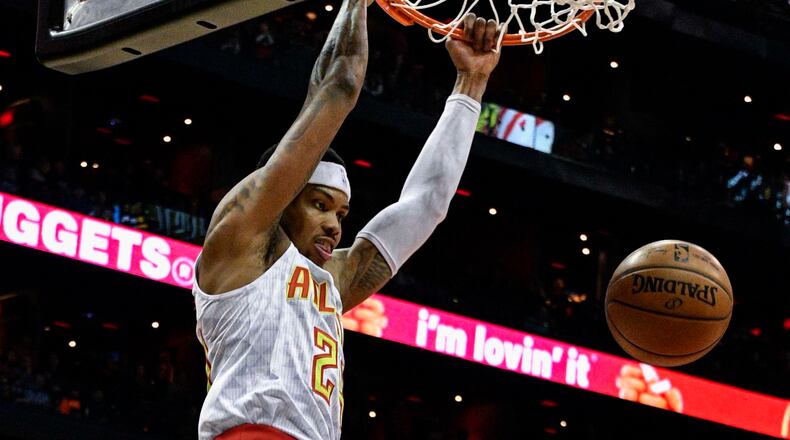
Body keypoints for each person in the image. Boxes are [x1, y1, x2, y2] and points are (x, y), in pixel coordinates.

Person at [192, 2, 503, 437]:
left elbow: (427, 202)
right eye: (319, 205)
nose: (336, 226)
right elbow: (339, 85)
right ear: (282, 199)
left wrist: (470, 84)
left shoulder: (332, 282)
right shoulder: (238, 239)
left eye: (341, 213)